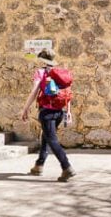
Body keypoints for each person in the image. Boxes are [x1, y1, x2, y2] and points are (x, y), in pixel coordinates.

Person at [21, 48, 75, 182]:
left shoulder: (41, 72)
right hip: (59, 112)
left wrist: (25, 109)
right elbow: (67, 93)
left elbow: (34, 92)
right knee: (46, 136)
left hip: (46, 112)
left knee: (52, 140)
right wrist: (68, 111)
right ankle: (39, 165)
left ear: (42, 59)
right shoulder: (61, 73)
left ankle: (67, 167)